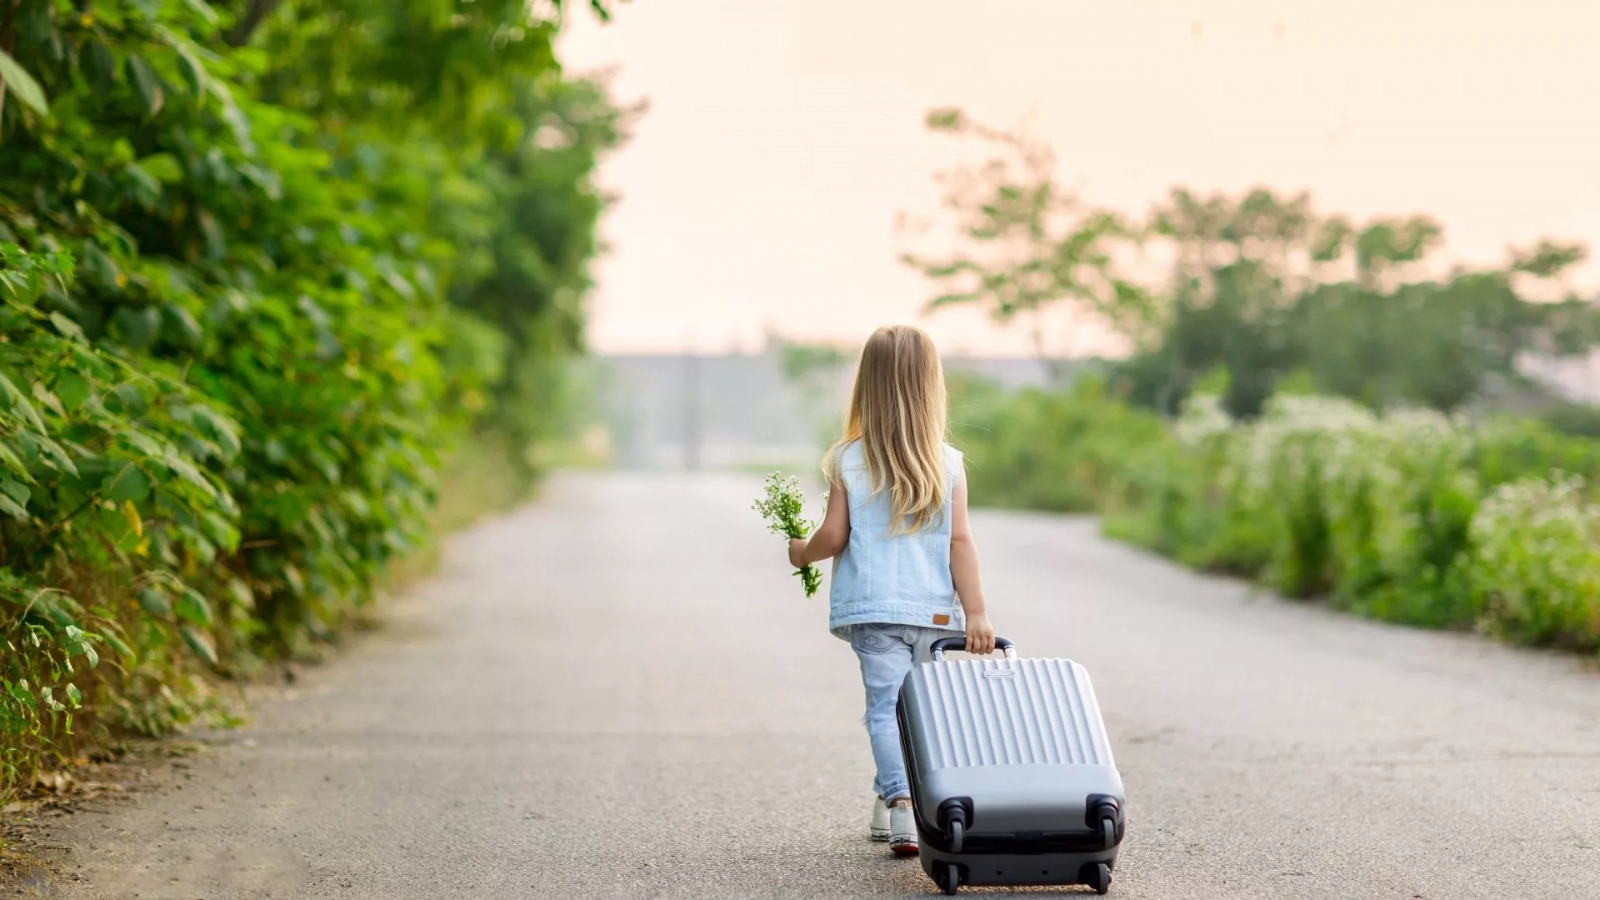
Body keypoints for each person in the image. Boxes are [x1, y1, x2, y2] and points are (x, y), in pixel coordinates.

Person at [785, 325, 995, 857]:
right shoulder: (946, 463)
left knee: (885, 709)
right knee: (920, 712)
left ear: (867, 386)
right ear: (931, 387)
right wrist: (977, 613)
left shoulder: (848, 459)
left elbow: (835, 537)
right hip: (934, 615)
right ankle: (893, 804)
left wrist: (800, 552)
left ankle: (902, 805)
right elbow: (961, 542)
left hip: (876, 612)